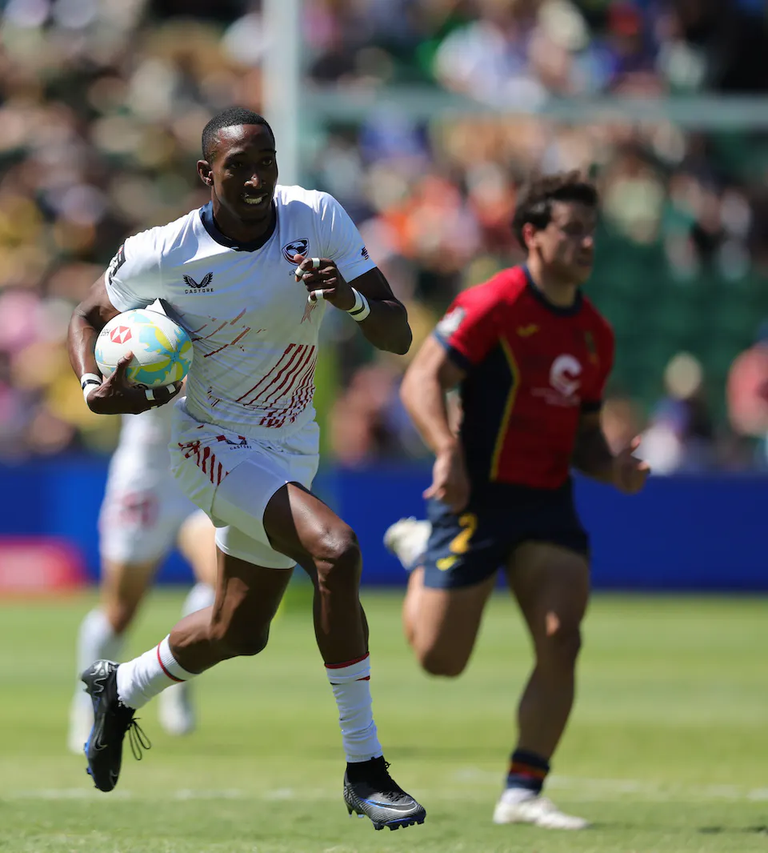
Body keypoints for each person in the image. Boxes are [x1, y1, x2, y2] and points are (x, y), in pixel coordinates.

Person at [66, 106, 425, 831]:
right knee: (337, 549)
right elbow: (85, 316)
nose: (257, 177)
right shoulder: (165, 251)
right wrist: (93, 389)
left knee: (239, 627)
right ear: (208, 174)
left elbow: (397, 331)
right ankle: (365, 767)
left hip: (290, 446)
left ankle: (121, 685)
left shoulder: (317, 217)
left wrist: (348, 297)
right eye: (239, 166)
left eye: (266, 161)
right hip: (210, 445)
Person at [388, 171, 649, 830]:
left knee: (562, 637)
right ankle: (423, 552)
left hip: (547, 503)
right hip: (476, 497)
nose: (588, 242)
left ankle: (523, 789)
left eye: (593, 231)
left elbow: (585, 437)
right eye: (573, 230)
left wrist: (612, 468)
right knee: (440, 661)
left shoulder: (596, 334)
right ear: (532, 235)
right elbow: (423, 379)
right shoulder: (495, 303)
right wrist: (445, 451)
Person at [68, 400, 219, 753]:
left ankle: (179, 670)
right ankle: (88, 703)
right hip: (146, 481)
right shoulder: (134, 343)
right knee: (119, 613)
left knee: (220, 585)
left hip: (201, 469)